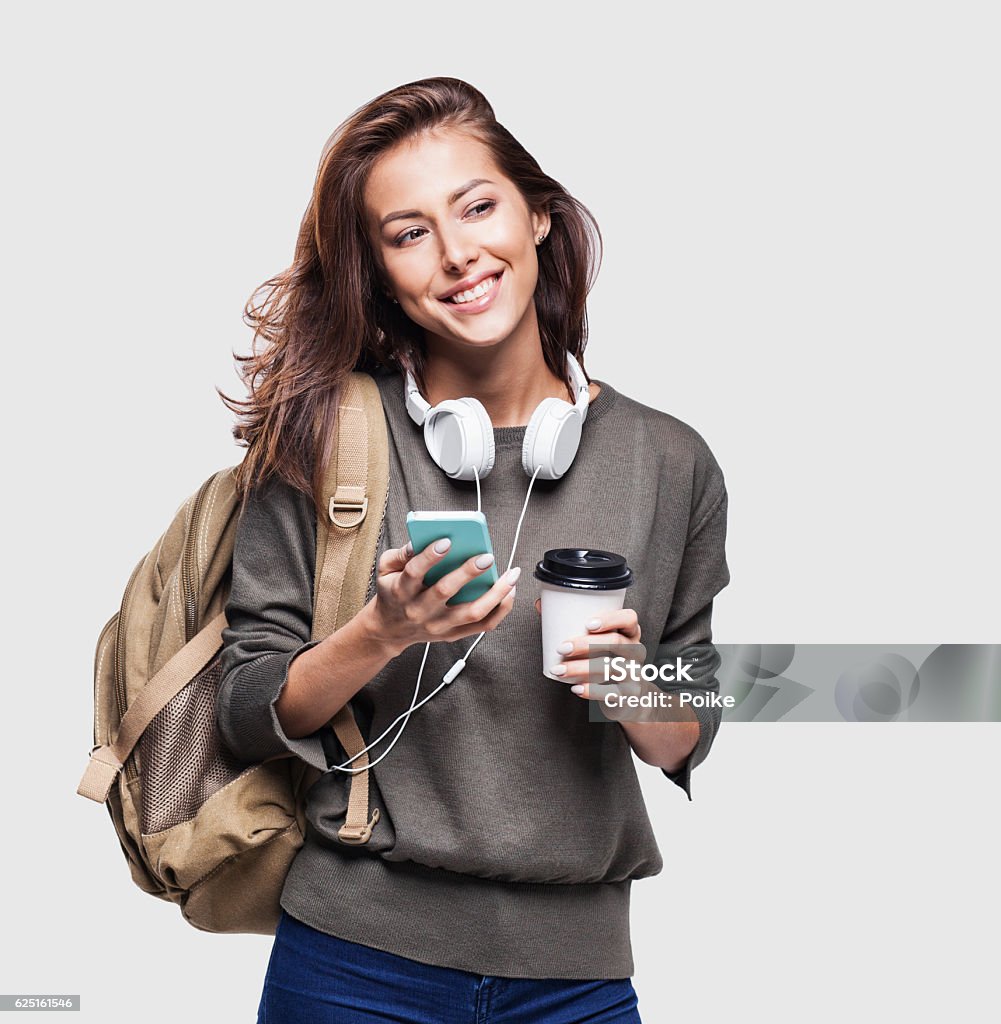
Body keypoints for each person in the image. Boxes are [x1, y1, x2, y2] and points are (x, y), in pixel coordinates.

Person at [216, 76, 730, 1024]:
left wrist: (627, 681)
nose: (457, 255)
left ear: (537, 215)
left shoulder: (669, 459)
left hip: (574, 976)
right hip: (353, 964)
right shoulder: (328, 438)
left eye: (478, 207)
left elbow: (688, 729)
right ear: (379, 270)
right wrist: (380, 632)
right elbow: (246, 710)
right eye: (409, 232)